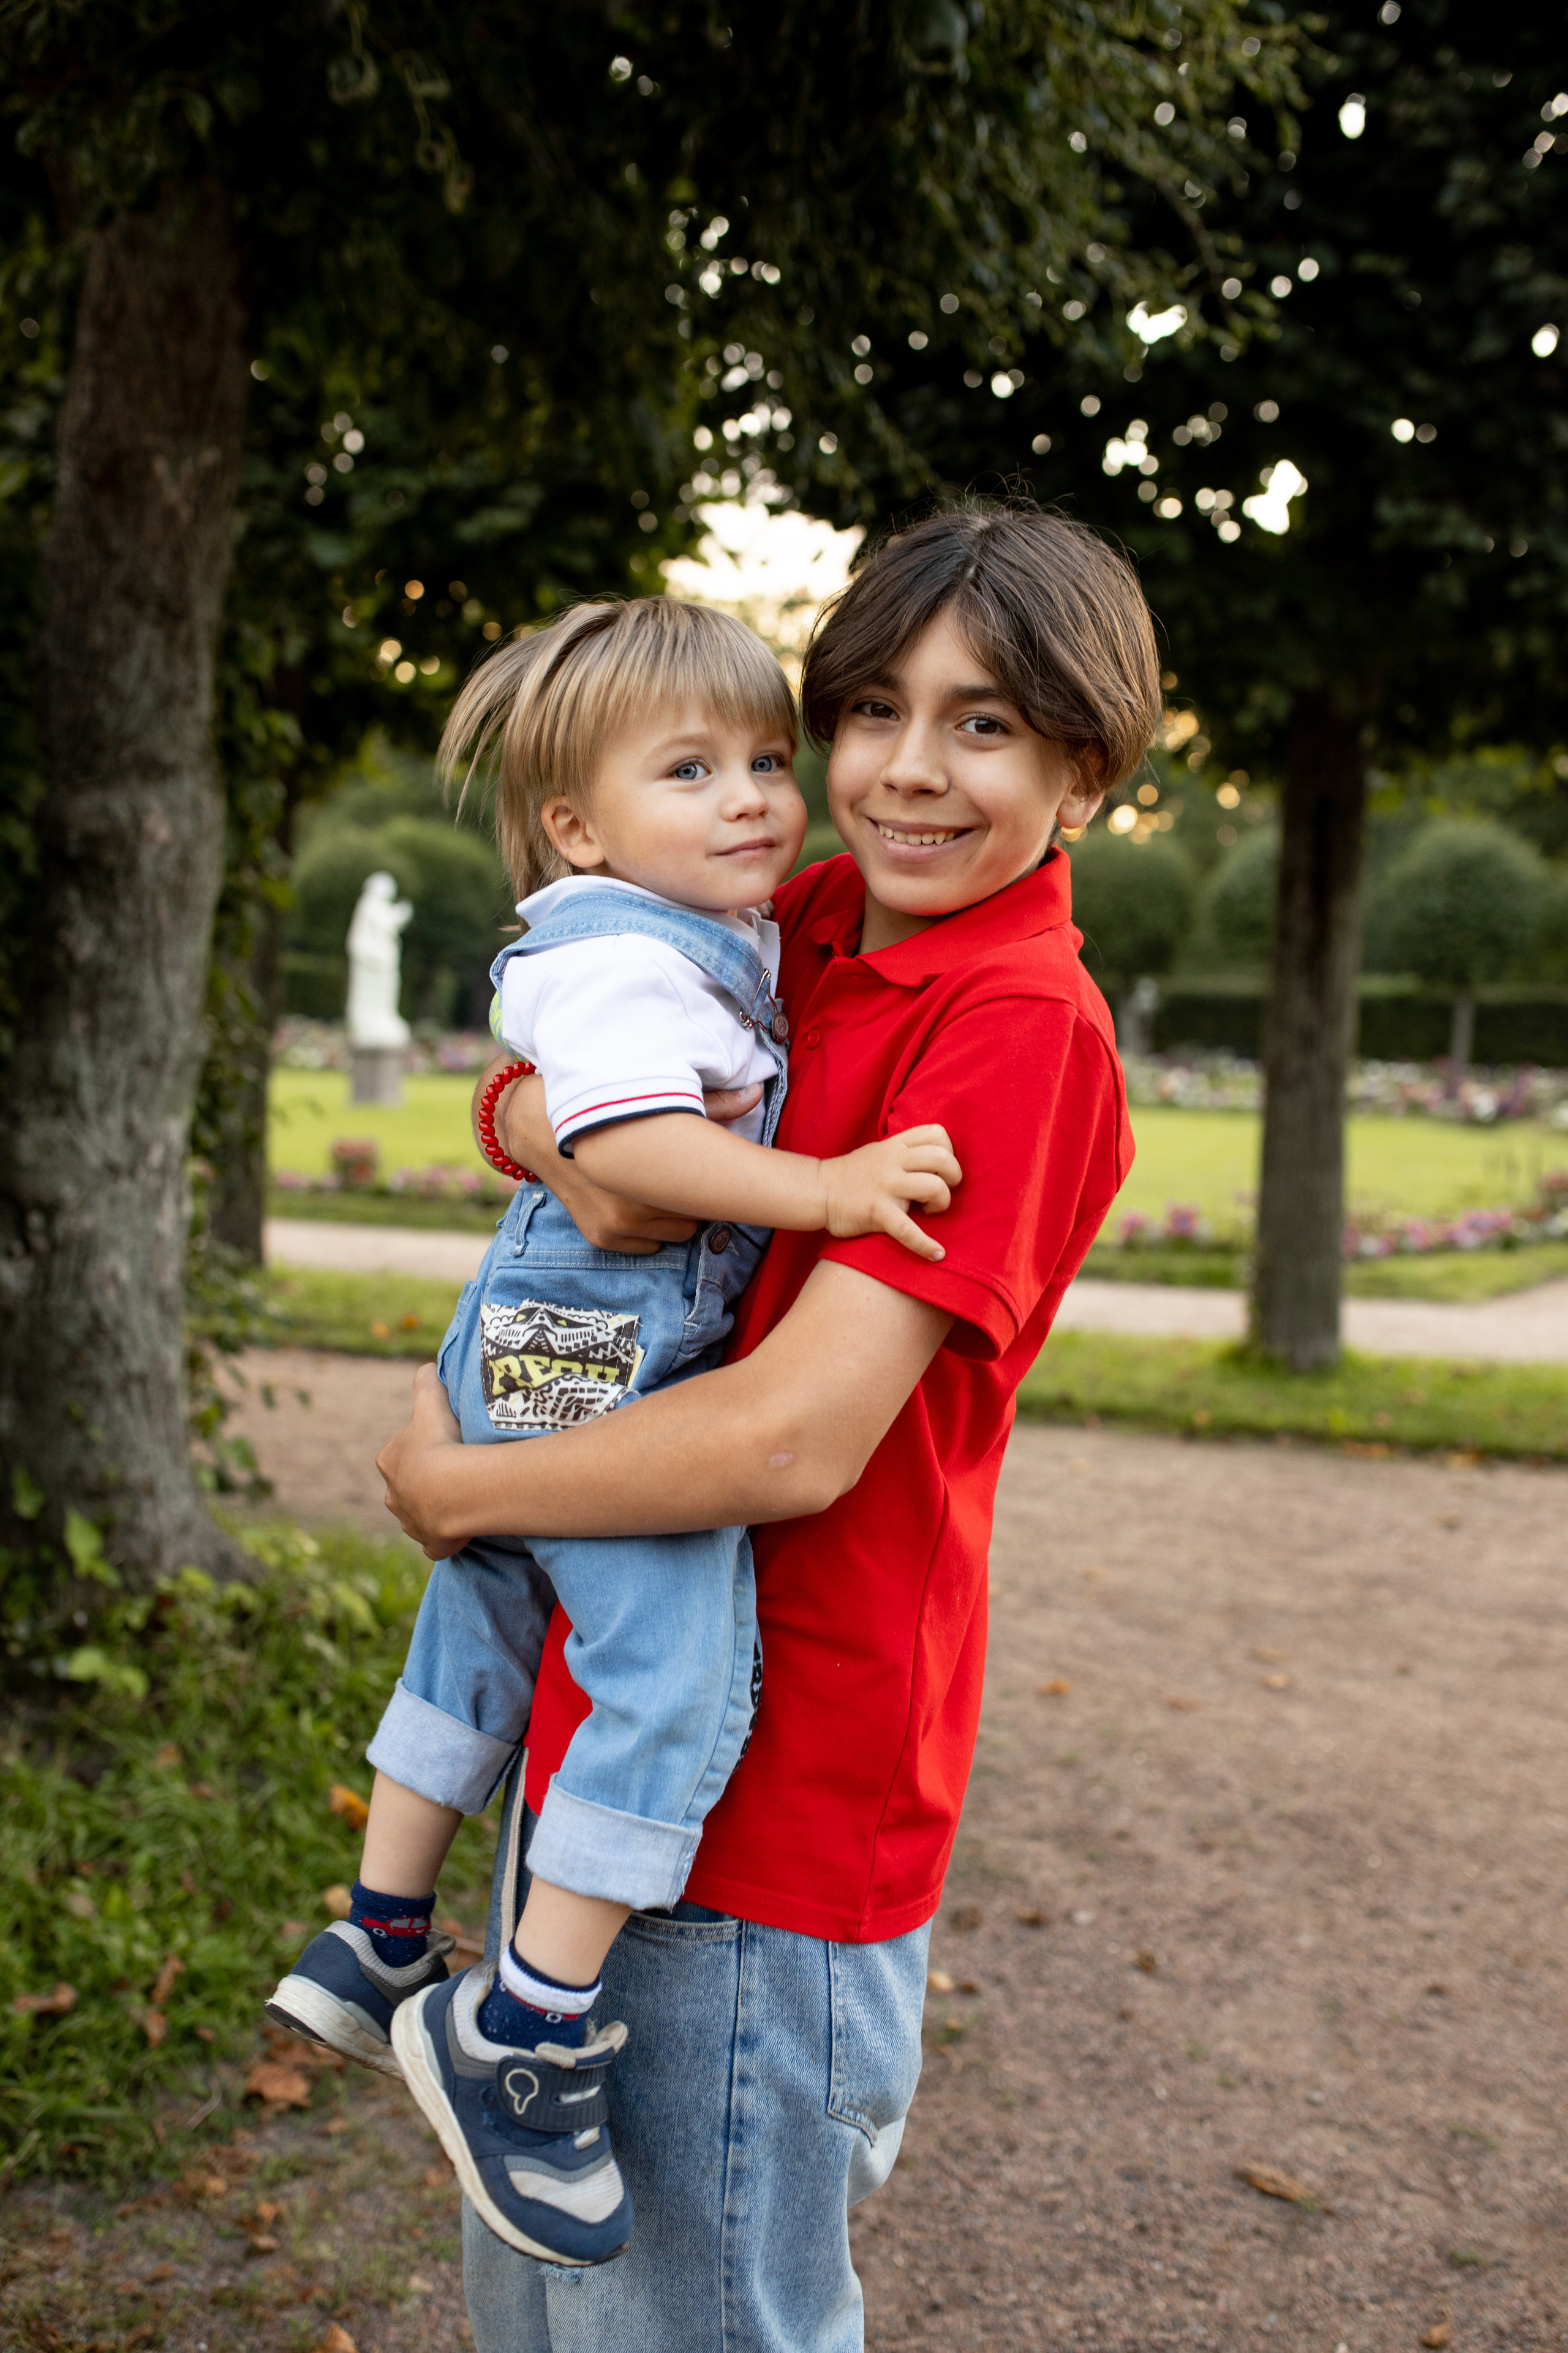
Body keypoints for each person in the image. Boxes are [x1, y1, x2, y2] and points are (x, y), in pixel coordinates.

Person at [377, 500, 1158, 2352]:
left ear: (1089, 760)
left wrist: (456, 1485)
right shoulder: (790, 910)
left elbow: (798, 1443)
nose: (903, 771)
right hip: (603, 1737)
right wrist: (557, 1139)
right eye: (872, 709)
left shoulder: (1021, 1023)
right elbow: (537, 1071)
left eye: (982, 724)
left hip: (775, 1793)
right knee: (551, 2322)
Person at [268, 598, 959, 2269]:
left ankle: (373, 1932)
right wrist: (820, 1186)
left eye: (767, 760)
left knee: (492, 1602)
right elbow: (637, 1139)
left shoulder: (683, 920)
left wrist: (525, 1121)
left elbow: (553, 1105)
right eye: (695, 768)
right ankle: (523, 2032)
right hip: (598, 1345)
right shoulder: (644, 945)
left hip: (549, 1331)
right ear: (578, 825)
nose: (756, 801)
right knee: (670, 1667)